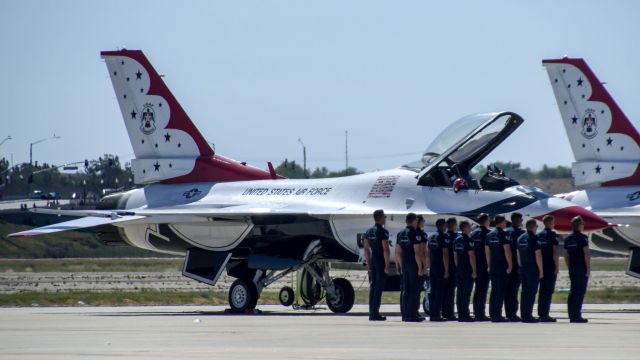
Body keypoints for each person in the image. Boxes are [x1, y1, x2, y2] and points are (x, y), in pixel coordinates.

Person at [395, 213, 424, 322]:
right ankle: (412, 314)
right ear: (413, 221)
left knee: (406, 290)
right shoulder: (414, 233)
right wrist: (420, 268)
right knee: (414, 290)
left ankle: (405, 314)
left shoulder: (400, 234)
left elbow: (398, 252)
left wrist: (401, 266)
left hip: (405, 264)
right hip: (413, 264)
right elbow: (417, 252)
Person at [364, 209, 390, 321]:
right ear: (380, 218)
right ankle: (375, 313)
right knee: (378, 288)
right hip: (380, 260)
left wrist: (368, 264)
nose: (385, 218)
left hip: (373, 259)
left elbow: (366, 249)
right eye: (384, 216)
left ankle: (371, 311)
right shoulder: (383, 232)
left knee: (373, 287)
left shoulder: (368, 231)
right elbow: (386, 249)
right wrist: (387, 265)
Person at [485, 215, 513, 322]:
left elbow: (487, 251)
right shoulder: (504, 234)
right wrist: (510, 265)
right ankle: (497, 315)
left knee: (494, 291)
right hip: (502, 266)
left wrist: (489, 265)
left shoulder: (489, 234)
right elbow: (507, 250)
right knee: (500, 291)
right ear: (501, 222)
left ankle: (493, 314)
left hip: (493, 266)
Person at [564, 216, 591, 323]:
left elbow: (566, 255)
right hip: (581, 267)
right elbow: (586, 254)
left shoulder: (568, 238)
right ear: (580, 225)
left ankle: (571, 315)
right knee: (579, 292)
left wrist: (569, 267)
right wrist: (588, 269)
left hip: (572, 267)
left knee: (573, 291)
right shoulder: (583, 238)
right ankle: (577, 316)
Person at [517, 219, 543, 323]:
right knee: (531, 292)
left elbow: (517, 253)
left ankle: (524, 314)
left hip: (523, 267)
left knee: (524, 292)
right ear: (533, 227)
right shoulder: (533, 238)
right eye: (536, 226)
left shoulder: (520, 238)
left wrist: (520, 265)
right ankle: (528, 315)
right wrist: (541, 270)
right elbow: (538, 255)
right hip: (532, 268)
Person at [537, 215, 559, 322]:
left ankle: (541, 313)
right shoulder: (552, 235)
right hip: (550, 266)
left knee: (542, 291)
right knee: (548, 291)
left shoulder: (539, 235)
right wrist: (557, 267)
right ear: (550, 223)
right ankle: (545, 314)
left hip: (540, 266)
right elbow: (555, 252)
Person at [453, 221, 477, 322]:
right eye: (469, 227)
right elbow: (471, 256)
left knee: (460, 292)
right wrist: (474, 270)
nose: (470, 229)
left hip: (459, 269)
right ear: (466, 228)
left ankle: (460, 314)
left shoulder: (456, 240)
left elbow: (455, 256)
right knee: (466, 293)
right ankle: (465, 314)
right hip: (467, 269)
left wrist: (458, 266)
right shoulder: (469, 240)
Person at [470, 213, 491, 321]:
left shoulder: (473, 233)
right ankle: (480, 313)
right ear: (486, 221)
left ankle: (476, 311)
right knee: (482, 289)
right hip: (484, 265)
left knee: (477, 290)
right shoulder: (488, 234)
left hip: (473, 264)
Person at [427, 218, 448, 322]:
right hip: (440, 266)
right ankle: (437, 315)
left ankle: (432, 314)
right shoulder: (442, 237)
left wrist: (430, 266)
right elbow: (445, 254)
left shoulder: (431, 237)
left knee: (433, 292)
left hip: (433, 266)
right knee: (439, 292)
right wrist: (447, 269)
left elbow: (428, 253)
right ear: (442, 226)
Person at [504, 212, 524, 322]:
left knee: (508, 290)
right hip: (516, 265)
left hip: (506, 265)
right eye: (521, 219)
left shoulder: (506, 232)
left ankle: (508, 312)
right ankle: (512, 313)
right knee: (514, 290)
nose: (522, 222)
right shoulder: (520, 233)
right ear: (517, 220)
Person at [442, 217, 458, 321]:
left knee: (445, 291)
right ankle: (450, 313)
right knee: (451, 292)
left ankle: (444, 312)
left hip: (443, 266)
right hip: (453, 267)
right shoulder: (456, 237)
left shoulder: (443, 236)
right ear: (454, 225)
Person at [416, 215, 429, 320]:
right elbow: (423, 252)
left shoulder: (407, 233)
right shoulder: (422, 235)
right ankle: (414, 313)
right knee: (416, 291)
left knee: (407, 291)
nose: (424, 222)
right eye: (423, 221)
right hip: (418, 266)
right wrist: (424, 267)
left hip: (409, 265)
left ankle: (408, 312)